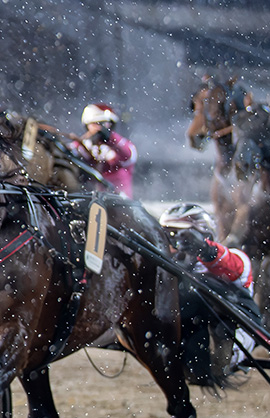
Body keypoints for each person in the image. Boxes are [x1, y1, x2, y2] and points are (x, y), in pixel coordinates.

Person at [158, 203, 258, 388]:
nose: (172, 244)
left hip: (234, 338)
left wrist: (205, 249)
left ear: (204, 235)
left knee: (194, 289)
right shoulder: (167, 266)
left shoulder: (236, 258)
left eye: (180, 236)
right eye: (167, 236)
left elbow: (232, 266)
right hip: (186, 335)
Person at [69, 103, 137, 198]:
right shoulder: (79, 147)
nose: (100, 128)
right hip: (90, 202)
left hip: (119, 202)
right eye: (96, 123)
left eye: (105, 123)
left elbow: (129, 156)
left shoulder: (119, 144)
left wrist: (110, 139)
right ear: (87, 125)